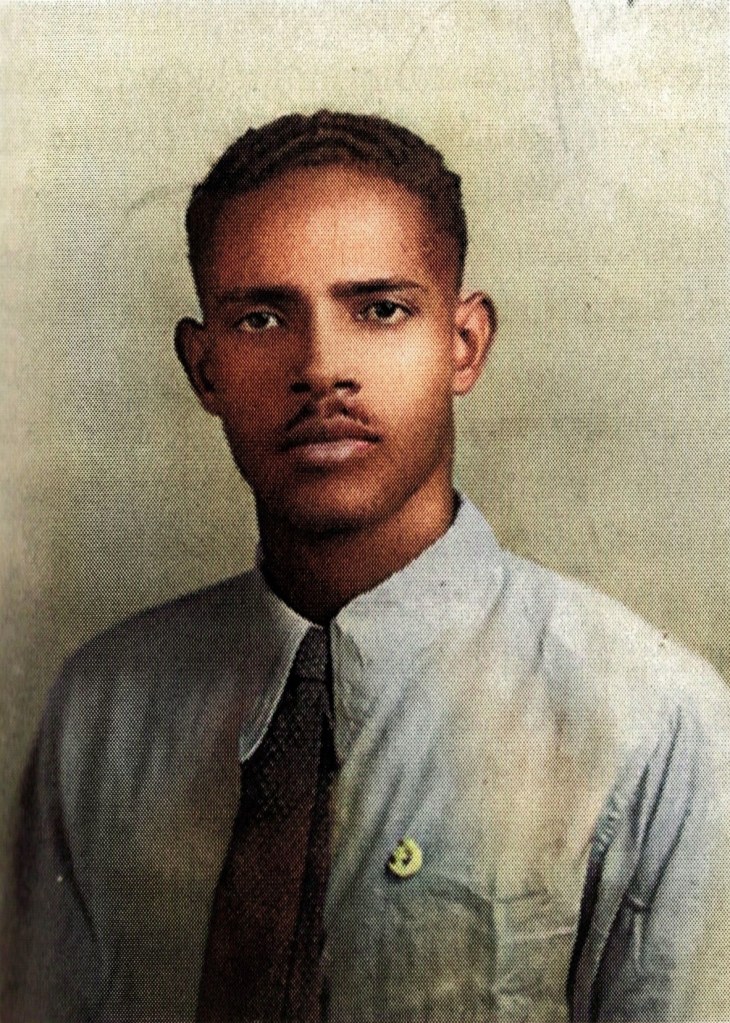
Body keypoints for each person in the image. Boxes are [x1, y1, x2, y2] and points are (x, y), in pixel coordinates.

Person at [3, 110, 730, 1023]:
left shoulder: (653, 720)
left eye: (380, 309)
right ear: (204, 367)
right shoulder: (98, 711)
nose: (321, 366)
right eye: (262, 316)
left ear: (462, 344)